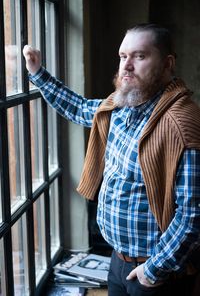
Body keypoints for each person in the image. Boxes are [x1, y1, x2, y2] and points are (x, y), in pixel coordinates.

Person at [23, 23, 200, 296]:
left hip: (157, 274)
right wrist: (37, 73)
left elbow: (193, 214)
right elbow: (80, 108)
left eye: (139, 56)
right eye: (122, 56)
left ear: (168, 64)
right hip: (117, 260)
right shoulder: (122, 106)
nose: (126, 65)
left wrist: (153, 270)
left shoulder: (181, 124)